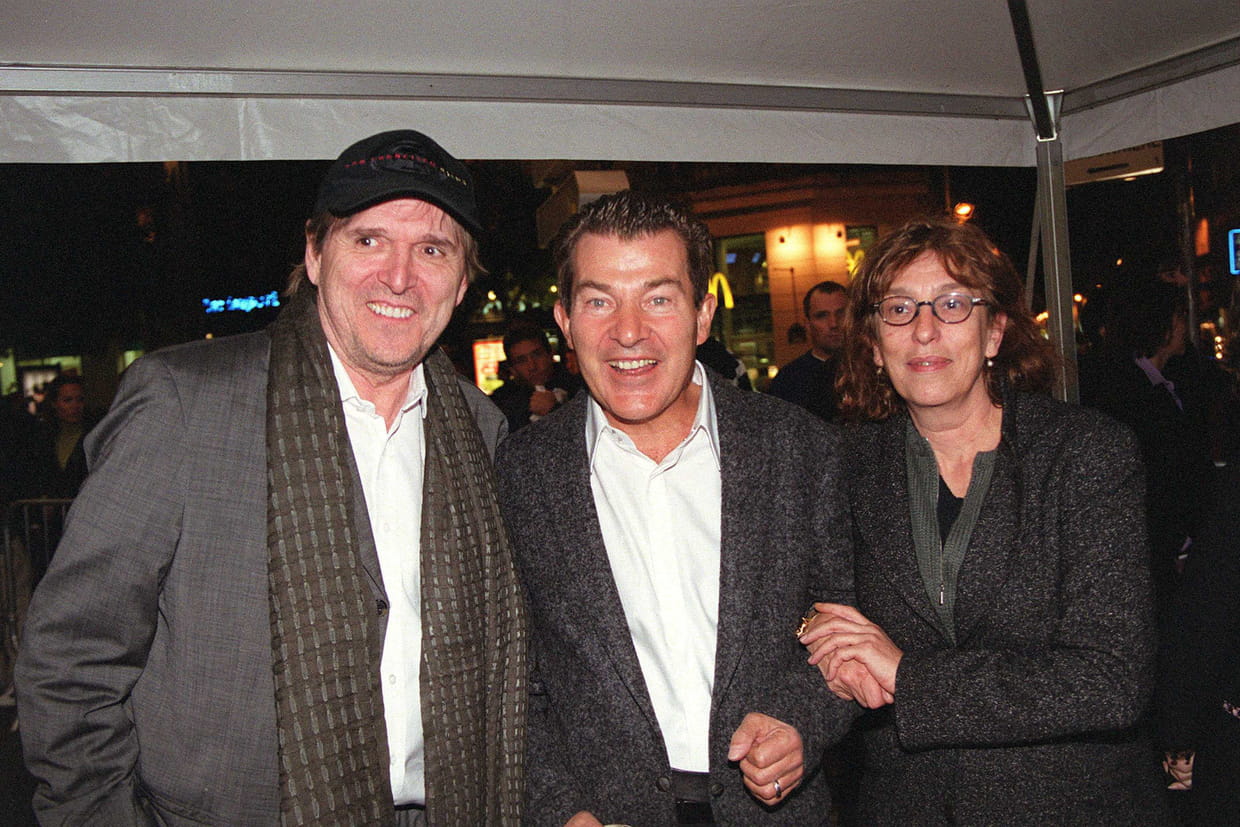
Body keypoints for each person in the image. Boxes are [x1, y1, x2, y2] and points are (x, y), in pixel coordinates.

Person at [16, 130, 526, 826]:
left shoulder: (481, 429)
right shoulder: (185, 403)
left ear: (463, 282)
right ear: (315, 254)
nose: (399, 277)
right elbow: (71, 656)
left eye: (433, 250)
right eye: (369, 240)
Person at [496, 191, 860, 826]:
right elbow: (512, 678)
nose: (628, 331)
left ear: (703, 315)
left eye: (658, 299)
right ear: (565, 321)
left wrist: (803, 721)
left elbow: (843, 622)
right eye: (599, 301)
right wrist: (561, 811)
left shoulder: (800, 449)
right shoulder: (520, 475)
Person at [799, 216, 1167, 823]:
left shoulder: (1084, 454)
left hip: (1071, 805)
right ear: (873, 344)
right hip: (906, 806)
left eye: (951, 305)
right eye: (899, 310)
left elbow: (1112, 678)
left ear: (994, 332)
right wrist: (818, 632)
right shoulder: (841, 468)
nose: (923, 331)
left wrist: (910, 678)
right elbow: (806, 609)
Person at [768, 281, 846, 421]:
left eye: (841, 313)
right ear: (807, 325)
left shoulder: (876, 369)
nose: (833, 323)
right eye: (822, 316)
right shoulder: (788, 381)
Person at [490, 321, 581, 432]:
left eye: (537, 355)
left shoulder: (578, 388)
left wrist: (555, 410)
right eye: (522, 360)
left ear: (550, 354)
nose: (532, 366)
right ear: (512, 368)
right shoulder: (502, 403)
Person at [35, 374, 95, 497]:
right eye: (67, 400)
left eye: (80, 400)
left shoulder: (95, 435)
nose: (75, 406)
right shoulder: (43, 437)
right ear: (54, 403)